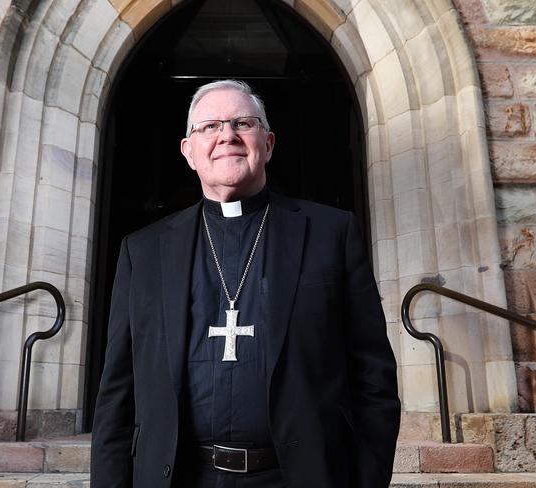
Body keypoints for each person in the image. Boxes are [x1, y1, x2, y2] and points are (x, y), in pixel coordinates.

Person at [91, 79, 401, 488]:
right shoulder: (144, 251)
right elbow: (118, 393)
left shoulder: (331, 235)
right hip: (180, 478)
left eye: (243, 123)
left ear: (268, 144)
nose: (227, 136)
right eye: (210, 126)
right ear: (189, 152)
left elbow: (374, 378)